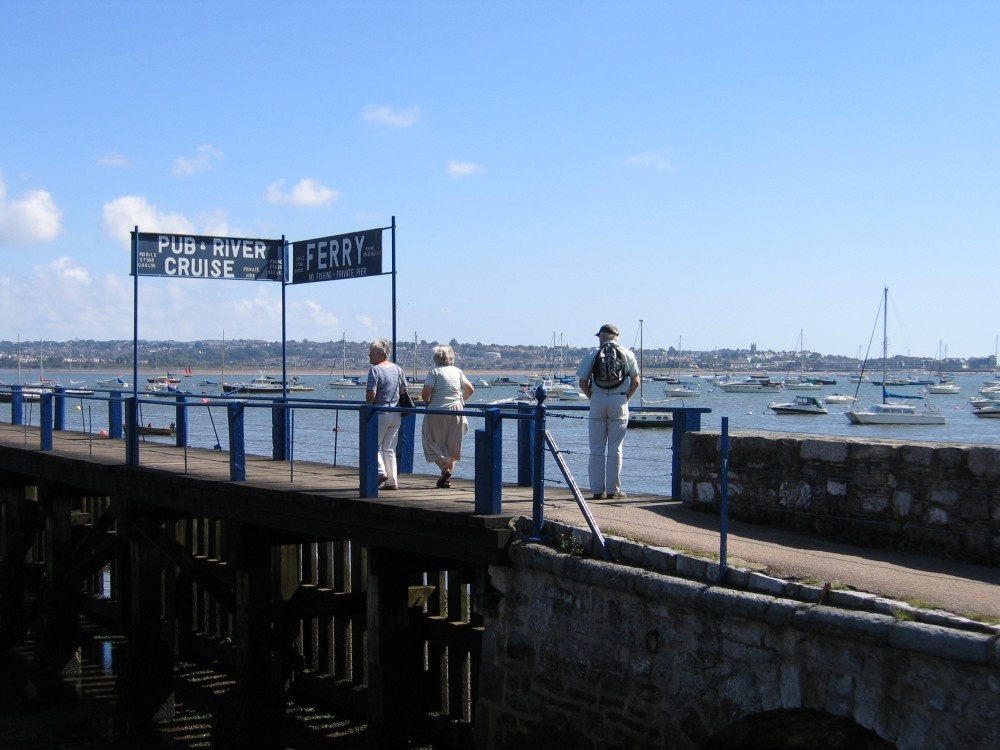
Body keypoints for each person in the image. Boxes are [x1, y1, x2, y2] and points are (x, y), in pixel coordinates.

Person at [576, 323, 640, 499]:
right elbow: (636, 381)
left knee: (596, 447)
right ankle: (613, 491)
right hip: (619, 400)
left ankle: (597, 490)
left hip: (597, 399)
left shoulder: (593, 354)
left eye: (599, 336)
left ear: (603, 336)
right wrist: (625, 398)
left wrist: (593, 397)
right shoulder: (627, 354)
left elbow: (582, 382)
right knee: (615, 448)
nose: (598, 339)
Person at [421, 344, 474, 488]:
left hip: (437, 410)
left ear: (436, 358)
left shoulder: (434, 372)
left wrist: (427, 403)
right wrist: (461, 400)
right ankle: (446, 479)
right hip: (457, 410)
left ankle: (445, 470)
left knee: (429, 440)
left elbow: (425, 393)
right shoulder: (458, 371)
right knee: (452, 445)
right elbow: (470, 389)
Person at [365, 338, 407, 490]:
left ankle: (380, 472)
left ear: (380, 354)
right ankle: (392, 481)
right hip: (395, 414)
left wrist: (368, 408)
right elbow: (403, 390)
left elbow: (371, 393)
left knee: (371, 445)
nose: (369, 355)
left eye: (371, 352)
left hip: (380, 413)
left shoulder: (375, 370)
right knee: (389, 448)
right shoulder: (397, 369)